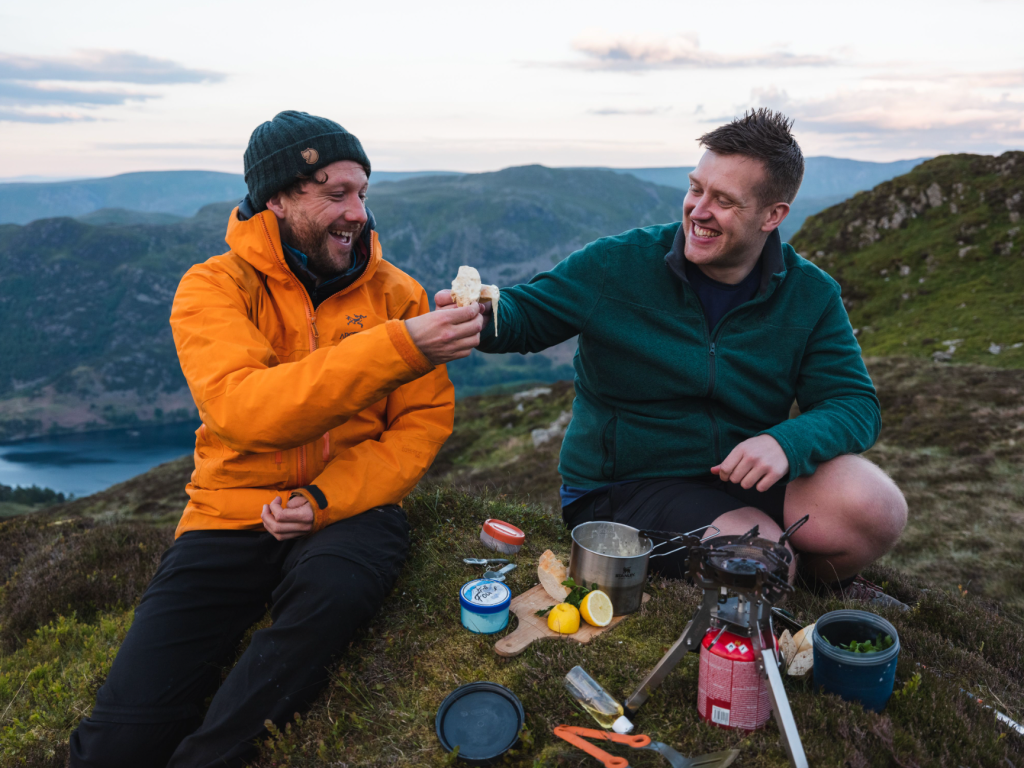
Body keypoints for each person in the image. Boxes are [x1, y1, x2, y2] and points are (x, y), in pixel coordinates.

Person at [69, 111, 486, 768]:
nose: (358, 213)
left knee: (334, 590)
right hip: (228, 512)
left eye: (362, 193)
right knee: (119, 738)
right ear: (278, 198)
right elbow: (248, 412)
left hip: (350, 508)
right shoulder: (212, 288)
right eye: (334, 193)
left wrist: (322, 500)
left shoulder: (399, 295)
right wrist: (399, 347)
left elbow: (419, 426)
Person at [438, 109, 907, 606]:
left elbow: (855, 404)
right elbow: (527, 313)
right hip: (626, 487)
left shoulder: (810, 295)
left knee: (876, 507)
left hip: (740, 476)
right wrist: (480, 314)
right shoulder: (617, 263)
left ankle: (812, 588)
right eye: (695, 188)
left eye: (723, 200)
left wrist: (786, 442)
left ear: (773, 215)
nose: (698, 210)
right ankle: (777, 573)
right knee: (760, 558)